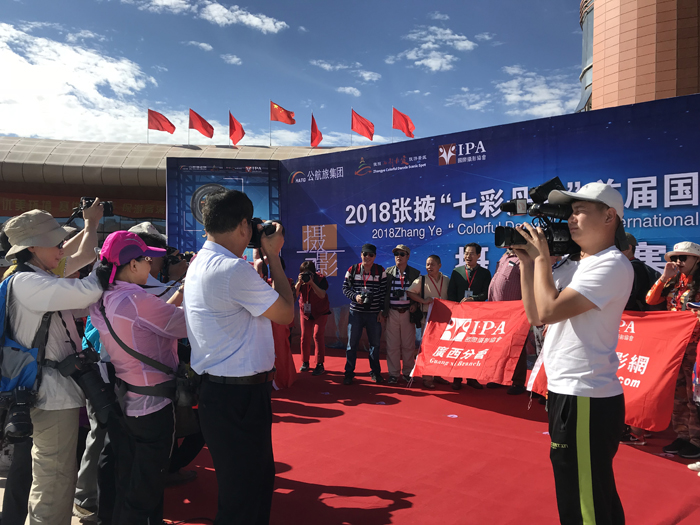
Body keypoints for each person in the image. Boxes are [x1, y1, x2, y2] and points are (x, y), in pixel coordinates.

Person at [514, 182, 632, 524]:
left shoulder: (610, 264)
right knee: (589, 490)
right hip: (569, 392)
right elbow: (536, 316)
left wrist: (541, 258)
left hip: (586, 396)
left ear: (609, 216)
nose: (571, 219)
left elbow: (549, 310)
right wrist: (527, 263)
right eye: (570, 212)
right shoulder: (577, 264)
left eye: (580, 211)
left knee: (583, 500)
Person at [184, 189, 294, 525]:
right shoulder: (232, 269)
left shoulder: (200, 262)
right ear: (244, 226)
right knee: (245, 494)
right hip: (238, 397)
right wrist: (273, 256)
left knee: (247, 485)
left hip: (222, 392)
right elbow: (286, 313)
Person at [2, 206, 105, 525]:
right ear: (33, 246)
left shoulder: (38, 276)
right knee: (55, 481)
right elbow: (89, 291)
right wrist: (111, 262)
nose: (63, 248)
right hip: (51, 395)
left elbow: (83, 256)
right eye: (56, 243)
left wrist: (91, 224)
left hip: (46, 390)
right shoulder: (29, 283)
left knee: (51, 477)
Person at [88, 230, 185, 525]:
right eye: (147, 260)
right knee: (144, 490)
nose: (151, 265)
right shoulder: (136, 299)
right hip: (152, 406)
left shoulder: (102, 298)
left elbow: (154, 320)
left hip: (125, 398)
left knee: (126, 480)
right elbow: (184, 325)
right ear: (132, 264)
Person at [646, 241, 700, 459]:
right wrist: (664, 277)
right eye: (675, 258)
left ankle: (696, 440)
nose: (678, 262)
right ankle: (682, 435)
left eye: (683, 257)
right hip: (676, 347)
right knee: (678, 394)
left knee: (694, 395)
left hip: (696, 348)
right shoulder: (674, 281)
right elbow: (651, 299)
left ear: (697, 259)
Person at [447, 242, 492, 390]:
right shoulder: (457, 272)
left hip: (476, 315)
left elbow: (487, 293)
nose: (468, 256)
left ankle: (472, 378)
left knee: (473, 347)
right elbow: (451, 293)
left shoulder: (485, 273)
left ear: (479, 255)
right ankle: (457, 378)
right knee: (458, 346)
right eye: (466, 253)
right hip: (459, 315)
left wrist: (474, 299)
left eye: (472, 253)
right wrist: (455, 309)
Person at [341, 243, 387, 385]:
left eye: (370, 255)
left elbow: (384, 293)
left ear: (375, 256)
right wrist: (355, 297)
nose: (367, 257)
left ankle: (375, 373)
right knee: (351, 345)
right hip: (356, 313)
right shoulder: (352, 269)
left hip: (374, 314)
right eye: (365, 254)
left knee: (375, 345)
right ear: (361, 255)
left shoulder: (380, 271)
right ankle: (349, 373)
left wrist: (381, 311)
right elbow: (345, 288)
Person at [487, 248, 527, 395]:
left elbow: (527, 287)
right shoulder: (504, 257)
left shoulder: (523, 259)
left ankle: (518, 382)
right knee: (499, 346)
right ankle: (498, 377)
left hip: (515, 312)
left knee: (517, 346)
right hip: (498, 311)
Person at [406, 254, 450, 389]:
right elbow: (410, 292)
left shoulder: (446, 280)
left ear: (439, 265)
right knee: (427, 348)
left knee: (441, 348)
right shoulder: (422, 280)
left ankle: (438, 375)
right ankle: (427, 377)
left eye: (432, 264)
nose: (429, 267)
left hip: (443, 319)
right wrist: (423, 301)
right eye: (427, 264)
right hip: (427, 319)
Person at [382, 245, 421, 385]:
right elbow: (383, 293)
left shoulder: (415, 273)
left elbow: (419, 293)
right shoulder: (388, 272)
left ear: (408, 256)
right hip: (392, 312)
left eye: (402, 254)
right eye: (396, 254)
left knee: (408, 346)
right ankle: (393, 374)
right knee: (392, 345)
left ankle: (408, 373)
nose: (398, 256)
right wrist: (382, 311)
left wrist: (415, 304)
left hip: (407, 313)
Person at [295, 260, 330, 376]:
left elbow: (322, 295)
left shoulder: (320, 279)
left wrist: (311, 283)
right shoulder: (301, 281)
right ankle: (305, 362)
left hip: (321, 311)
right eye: (303, 273)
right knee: (305, 336)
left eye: (308, 273)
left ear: (313, 273)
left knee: (317, 334)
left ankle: (320, 364)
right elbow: (294, 295)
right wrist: (299, 282)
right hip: (306, 312)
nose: (306, 275)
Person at [622, 232, 661, 312]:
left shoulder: (632, 268)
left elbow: (628, 302)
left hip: (632, 317)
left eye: (614, 247)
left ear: (628, 248)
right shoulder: (637, 266)